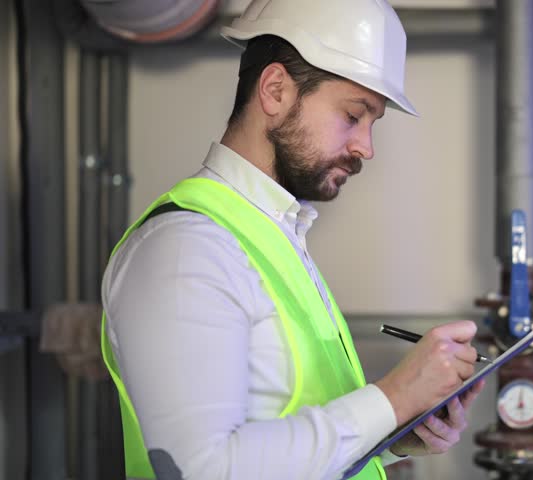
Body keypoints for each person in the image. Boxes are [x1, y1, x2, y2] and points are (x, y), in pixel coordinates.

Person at [100, 0, 485, 479]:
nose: (366, 147)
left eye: (372, 123)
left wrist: (389, 436)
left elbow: (281, 438)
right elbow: (203, 469)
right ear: (276, 90)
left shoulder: (273, 236)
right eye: (353, 115)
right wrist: (394, 397)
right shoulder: (186, 249)